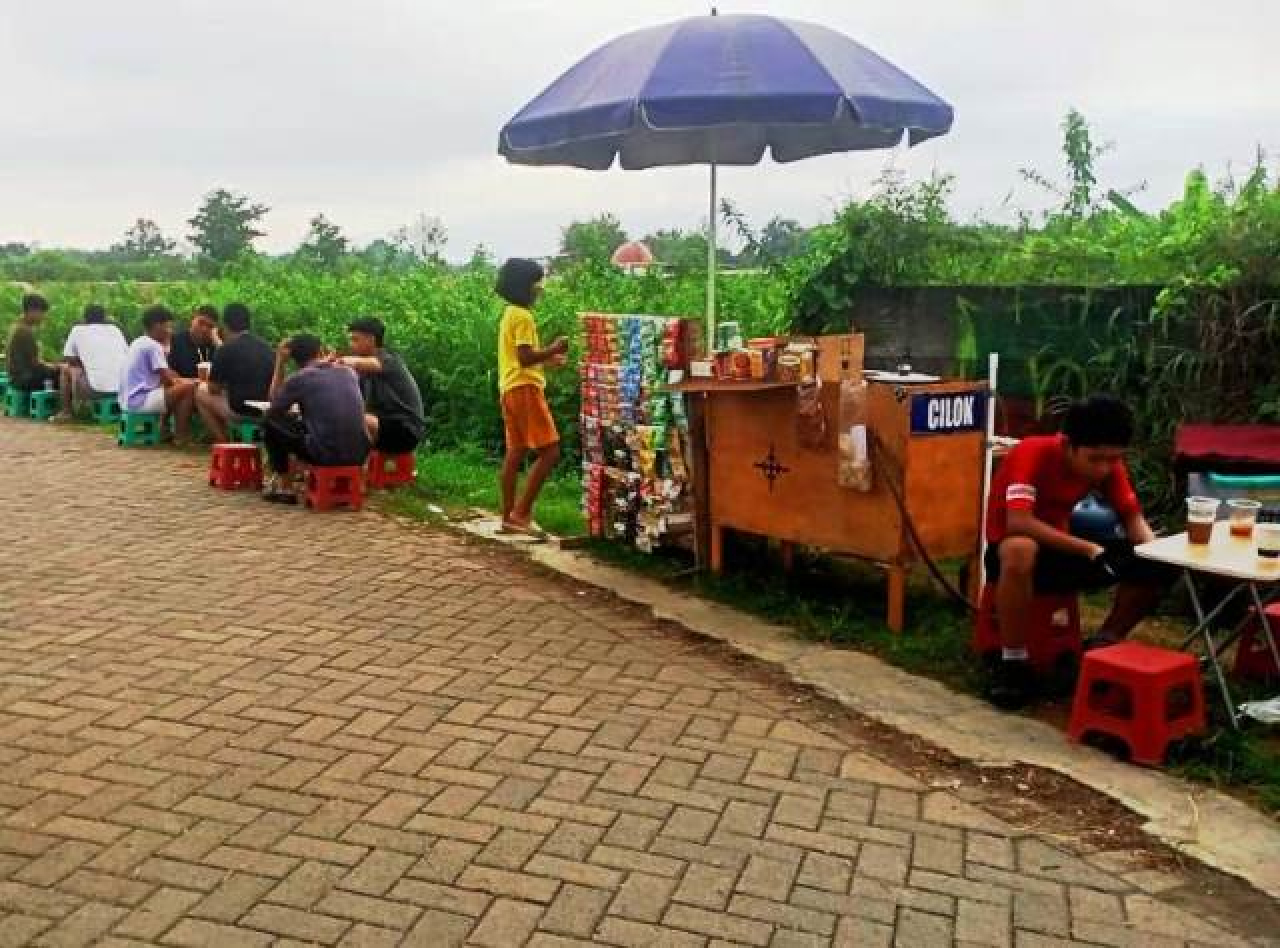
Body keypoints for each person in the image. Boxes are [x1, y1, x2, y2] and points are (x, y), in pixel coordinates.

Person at [983, 395, 1173, 709]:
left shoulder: (1108, 464)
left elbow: (1132, 517)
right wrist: (1086, 548)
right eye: (1095, 459)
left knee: (1157, 562)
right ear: (1068, 445)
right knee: (1021, 549)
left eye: (1113, 459)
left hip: (1067, 548)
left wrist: (1156, 553)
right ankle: (1013, 663)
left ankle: (1103, 644)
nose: (1104, 469)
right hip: (1012, 549)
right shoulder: (1032, 452)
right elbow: (1019, 522)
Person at [494, 258, 568, 537]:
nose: (540, 289)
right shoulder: (523, 316)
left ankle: (508, 516)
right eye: (537, 284)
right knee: (550, 451)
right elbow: (525, 358)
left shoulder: (509, 314)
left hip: (509, 387)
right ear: (524, 286)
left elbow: (518, 357)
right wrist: (554, 348)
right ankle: (521, 513)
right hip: (525, 388)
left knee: (516, 452)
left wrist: (548, 358)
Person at [262, 334, 371, 504]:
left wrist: (279, 363)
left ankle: (285, 487)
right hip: (360, 453)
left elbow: (274, 407)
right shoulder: (349, 372)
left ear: (292, 359)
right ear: (320, 351)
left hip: (325, 454)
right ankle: (348, 486)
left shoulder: (300, 378)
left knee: (269, 422)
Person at [334, 316, 426, 455]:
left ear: (371, 339)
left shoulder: (390, 360)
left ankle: (359, 464)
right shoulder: (364, 373)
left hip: (406, 430)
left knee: (360, 420)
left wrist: (338, 362)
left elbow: (361, 363)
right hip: (383, 425)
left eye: (355, 339)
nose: (351, 344)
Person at [195, 302, 274, 443]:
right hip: (266, 410)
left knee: (200, 392)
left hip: (241, 410)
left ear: (225, 325)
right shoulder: (266, 347)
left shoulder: (226, 349)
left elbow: (213, 389)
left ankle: (223, 442)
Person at [118, 305, 198, 443]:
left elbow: (167, 373)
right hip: (139, 401)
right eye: (167, 327)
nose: (169, 331)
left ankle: (164, 430)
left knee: (176, 388)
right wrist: (191, 382)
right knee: (188, 389)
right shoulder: (153, 346)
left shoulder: (139, 342)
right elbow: (168, 380)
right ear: (157, 326)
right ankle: (181, 435)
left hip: (127, 400)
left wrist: (181, 380)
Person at [53, 303, 127, 421]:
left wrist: (83, 363)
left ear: (85, 318)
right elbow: (126, 355)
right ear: (104, 318)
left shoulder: (77, 330)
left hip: (94, 390)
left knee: (65, 369)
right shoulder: (115, 330)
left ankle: (66, 412)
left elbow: (68, 358)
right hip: (123, 389)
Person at [6, 293, 59, 394]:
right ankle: (60, 409)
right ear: (31, 310)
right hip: (24, 379)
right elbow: (35, 364)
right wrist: (55, 367)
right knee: (62, 376)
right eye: (42, 312)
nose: (43, 317)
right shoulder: (24, 331)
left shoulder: (17, 326)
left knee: (56, 370)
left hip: (16, 377)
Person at [168, 304, 221, 380]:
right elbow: (169, 373)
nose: (204, 329)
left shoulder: (214, 346)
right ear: (193, 319)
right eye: (201, 323)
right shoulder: (175, 341)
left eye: (210, 326)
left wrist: (218, 342)